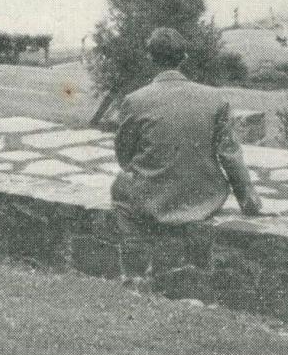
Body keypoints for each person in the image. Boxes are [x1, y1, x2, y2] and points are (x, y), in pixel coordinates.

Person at [111, 27, 264, 239]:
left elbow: (124, 157)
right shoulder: (215, 98)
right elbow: (230, 155)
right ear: (183, 58)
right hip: (203, 200)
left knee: (120, 190)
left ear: (151, 58)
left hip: (151, 201)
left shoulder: (134, 101)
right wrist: (249, 203)